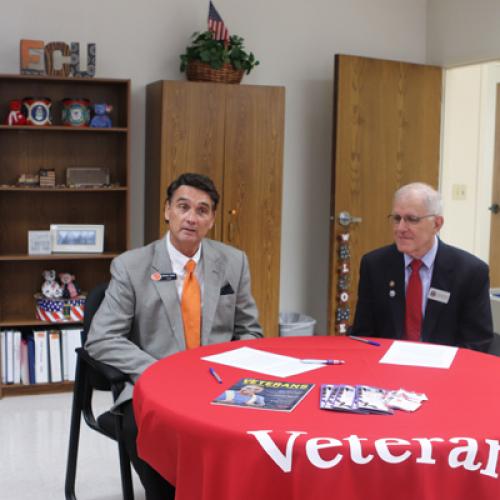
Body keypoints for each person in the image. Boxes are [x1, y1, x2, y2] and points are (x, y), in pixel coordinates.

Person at [85, 172, 263, 499]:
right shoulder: (131, 266)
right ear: (167, 210)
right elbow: (101, 338)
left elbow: (249, 330)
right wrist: (157, 371)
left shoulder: (234, 263)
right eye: (183, 207)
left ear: (211, 220)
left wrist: (233, 373)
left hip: (218, 384)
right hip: (150, 387)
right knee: (160, 461)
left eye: (202, 210)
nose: (191, 218)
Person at [351, 182, 493, 352]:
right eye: (396, 218)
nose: (401, 228)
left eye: (412, 219)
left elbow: (477, 343)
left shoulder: (470, 272)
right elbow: (362, 335)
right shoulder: (374, 265)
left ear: (437, 224)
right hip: (385, 369)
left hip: (445, 372)